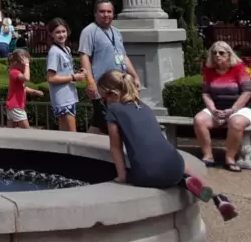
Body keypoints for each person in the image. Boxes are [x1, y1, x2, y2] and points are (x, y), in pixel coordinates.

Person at [98, 70, 238, 222]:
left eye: (103, 98)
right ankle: (218, 197)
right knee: (181, 165)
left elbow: (116, 147)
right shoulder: (144, 107)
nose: (103, 102)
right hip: (174, 164)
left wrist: (121, 177)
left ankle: (184, 181)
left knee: (139, 172)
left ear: (112, 94)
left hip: (148, 174)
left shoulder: (113, 110)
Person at [78, 0, 142, 134]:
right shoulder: (89, 31)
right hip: (103, 87)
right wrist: (90, 82)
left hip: (119, 85)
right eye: (102, 11)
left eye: (109, 11)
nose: (106, 14)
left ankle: (85, 150)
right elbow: (84, 57)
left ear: (113, 14)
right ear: (95, 14)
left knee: (99, 123)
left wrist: (135, 77)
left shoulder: (116, 32)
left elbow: (124, 57)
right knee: (108, 123)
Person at [193, 41, 251, 171]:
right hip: (217, 108)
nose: (217, 55)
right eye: (214, 53)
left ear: (229, 54)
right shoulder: (208, 71)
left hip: (241, 107)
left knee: (236, 122)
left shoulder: (239, 69)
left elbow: (247, 92)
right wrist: (213, 110)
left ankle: (230, 158)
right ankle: (208, 156)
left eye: (221, 53)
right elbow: (206, 94)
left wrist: (232, 110)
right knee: (199, 120)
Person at [44, 18, 85, 132]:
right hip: (63, 98)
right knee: (72, 133)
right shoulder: (54, 52)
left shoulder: (66, 49)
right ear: (51, 34)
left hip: (69, 95)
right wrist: (73, 78)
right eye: (57, 32)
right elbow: (51, 78)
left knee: (65, 134)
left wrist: (76, 73)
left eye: (63, 31)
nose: (61, 35)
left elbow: (64, 71)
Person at [5, 49, 44, 129]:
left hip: (13, 106)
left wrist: (34, 91)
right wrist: (27, 65)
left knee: (10, 132)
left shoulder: (15, 72)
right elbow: (26, 78)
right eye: (23, 62)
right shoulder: (14, 72)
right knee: (27, 131)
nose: (26, 64)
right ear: (16, 63)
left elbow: (23, 87)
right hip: (16, 106)